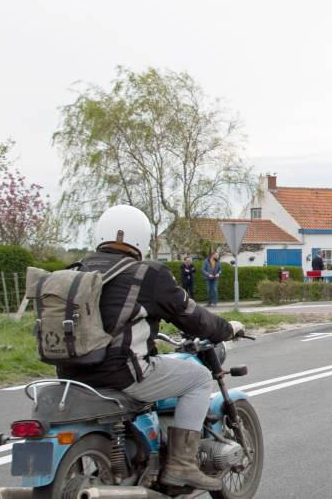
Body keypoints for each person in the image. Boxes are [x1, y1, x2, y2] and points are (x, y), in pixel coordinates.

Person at [62, 205, 241, 491]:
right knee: (198, 378)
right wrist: (227, 329)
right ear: (141, 239)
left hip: (72, 375)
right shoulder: (146, 273)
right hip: (122, 372)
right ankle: (182, 465)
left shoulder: (75, 272)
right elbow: (191, 315)